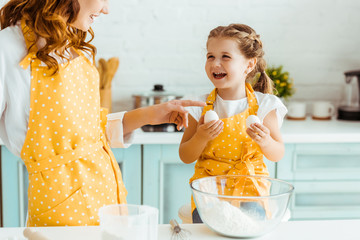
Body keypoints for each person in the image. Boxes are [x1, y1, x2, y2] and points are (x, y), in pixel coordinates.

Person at [0, 0, 205, 227]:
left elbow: (88, 134)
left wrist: (149, 115)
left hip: (107, 196)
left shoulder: (74, 44)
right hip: (60, 210)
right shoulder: (8, 48)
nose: (106, 9)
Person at [179, 23, 287, 223]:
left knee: (249, 228)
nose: (215, 63)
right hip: (209, 193)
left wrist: (265, 142)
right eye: (210, 56)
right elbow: (185, 155)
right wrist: (201, 137)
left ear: (249, 64)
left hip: (250, 190)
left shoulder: (265, 105)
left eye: (225, 57)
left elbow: (278, 152)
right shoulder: (198, 106)